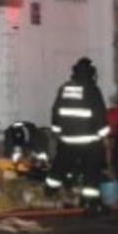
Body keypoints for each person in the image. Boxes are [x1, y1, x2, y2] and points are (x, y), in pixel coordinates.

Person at [46, 58, 110, 212]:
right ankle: (90, 202)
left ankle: (49, 191)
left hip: (67, 139)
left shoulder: (65, 88)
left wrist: (56, 132)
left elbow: (56, 111)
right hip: (89, 141)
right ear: (91, 74)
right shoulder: (92, 89)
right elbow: (100, 114)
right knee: (91, 171)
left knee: (60, 165)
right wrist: (104, 136)